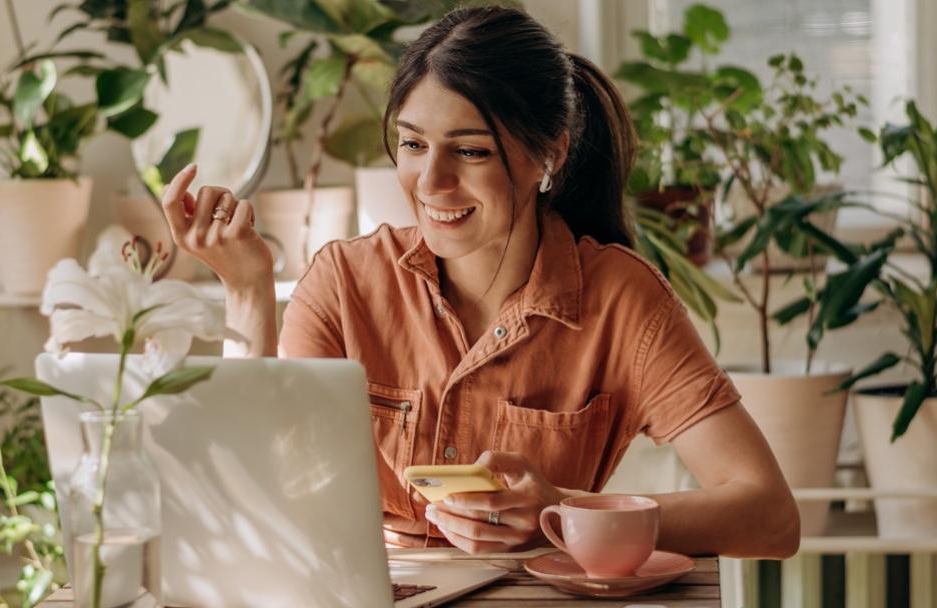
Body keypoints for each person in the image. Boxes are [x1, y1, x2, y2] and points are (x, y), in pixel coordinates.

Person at [159, 6, 800, 558]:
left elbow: (769, 515)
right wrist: (245, 289)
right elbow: (253, 490)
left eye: (470, 151)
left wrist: (559, 512)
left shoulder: (622, 299)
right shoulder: (344, 282)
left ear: (549, 155)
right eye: (412, 145)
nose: (431, 183)